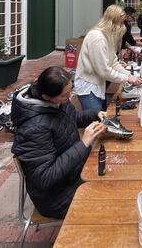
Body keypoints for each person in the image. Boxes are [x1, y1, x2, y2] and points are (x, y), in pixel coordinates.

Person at [11, 66, 107, 219]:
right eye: (65, 95)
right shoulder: (33, 128)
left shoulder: (58, 102)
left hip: (73, 174)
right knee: (110, 196)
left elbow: (72, 117)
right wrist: (83, 144)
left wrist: (95, 114)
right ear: (46, 96)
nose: (69, 97)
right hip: (56, 196)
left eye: (70, 91)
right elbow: (45, 177)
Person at [75, 4, 142, 111]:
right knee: (96, 120)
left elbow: (113, 62)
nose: (122, 26)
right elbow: (104, 70)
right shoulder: (97, 37)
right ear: (113, 21)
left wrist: (129, 75)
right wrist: (127, 78)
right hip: (89, 86)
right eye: (121, 23)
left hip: (98, 83)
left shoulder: (108, 36)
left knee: (101, 114)